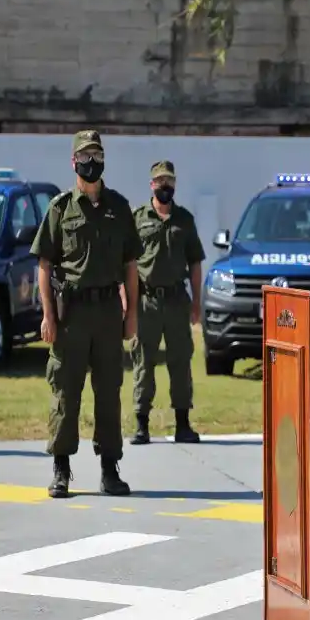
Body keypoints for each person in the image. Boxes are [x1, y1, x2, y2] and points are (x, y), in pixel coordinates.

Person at [30, 130, 141, 499]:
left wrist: (132, 314)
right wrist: (48, 315)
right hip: (71, 314)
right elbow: (44, 265)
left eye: (97, 154)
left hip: (109, 311)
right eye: (85, 155)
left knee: (109, 392)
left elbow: (130, 265)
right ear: (73, 162)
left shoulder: (120, 208)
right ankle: (61, 468)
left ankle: (110, 469)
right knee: (65, 390)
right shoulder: (60, 209)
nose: (91, 161)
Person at [128, 160, 205, 446]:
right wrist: (128, 302)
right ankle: (141, 424)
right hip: (145, 302)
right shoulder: (138, 218)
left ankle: (183, 424)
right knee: (143, 363)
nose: (164, 186)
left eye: (169, 182)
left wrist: (197, 301)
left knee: (180, 361)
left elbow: (195, 262)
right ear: (151, 184)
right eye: (160, 181)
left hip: (175, 301)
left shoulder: (184, 220)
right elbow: (128, 263)